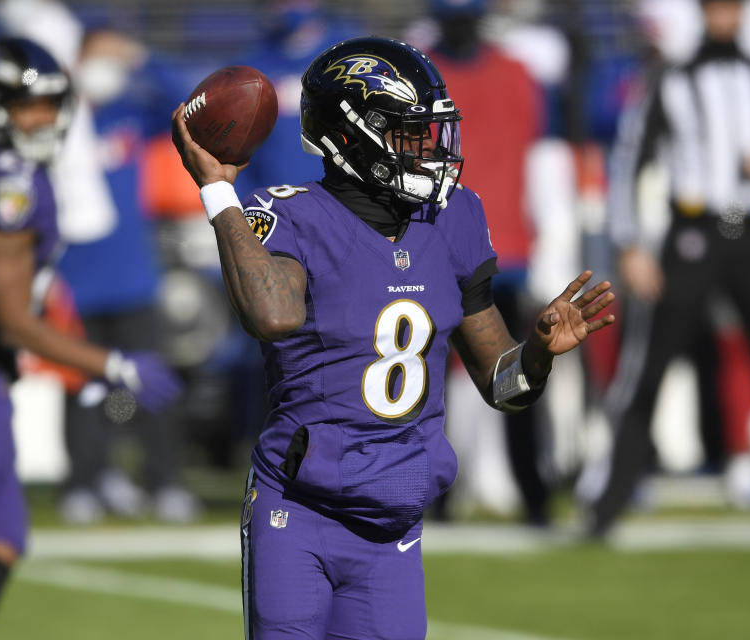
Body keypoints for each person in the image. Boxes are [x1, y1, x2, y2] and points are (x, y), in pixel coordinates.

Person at [171, 36, 614, 639]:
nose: (426, 149)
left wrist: (536, 352)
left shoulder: (454, 216)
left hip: (394, 524)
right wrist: (217, 192)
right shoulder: (289, 215)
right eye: (409, 133)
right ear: (352, 135)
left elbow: (503, 388)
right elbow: (271, 315)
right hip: (298, 512)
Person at [0, 37, 180, 639]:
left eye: (51, 103)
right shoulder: (6, 184)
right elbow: (12, 321)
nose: (43, 118)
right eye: (27, 104)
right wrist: (113, 367)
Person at [590, 0, 750, 538]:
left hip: (747, 227)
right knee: (649, 370)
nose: (724, 18)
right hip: (693, 231)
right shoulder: (672, 79)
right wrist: (630, 244)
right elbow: (632, 158)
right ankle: (607, 503)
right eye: (715, 8)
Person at [56, 27, 199, 525]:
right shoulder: (57, 121)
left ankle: (165, 482)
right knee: (85, 392)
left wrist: (140, 57)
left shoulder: (128, 117)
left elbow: (188, 108)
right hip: (74, 282)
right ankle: (86, 481)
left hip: (134, 279)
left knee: (151, 387)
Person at [424, 0, 551, 524]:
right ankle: (442, 495)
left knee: (515, 376)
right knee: (436, 381)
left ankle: (532, 493)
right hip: (448, 246)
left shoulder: (516, 73)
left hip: (500, 249)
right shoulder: (424, 74)